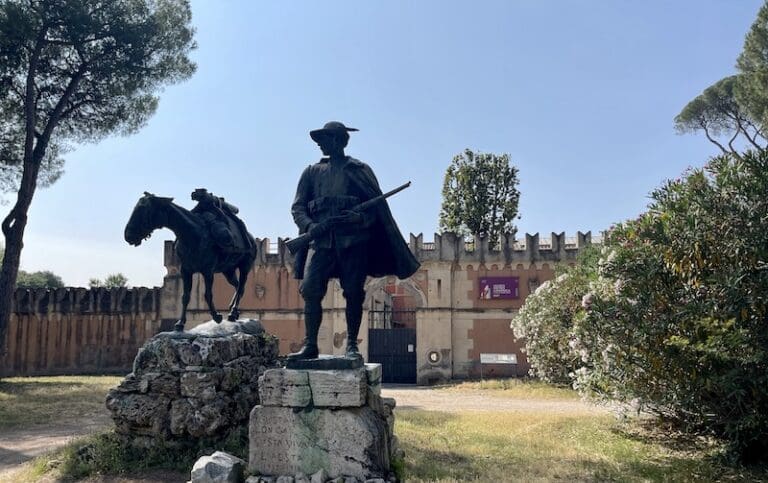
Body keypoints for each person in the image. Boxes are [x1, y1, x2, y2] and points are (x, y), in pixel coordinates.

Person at [289, 121, 420, 360]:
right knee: (310, 289)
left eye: (324, 139)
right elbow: (298, 208)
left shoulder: (359, 170)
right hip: (321, 243)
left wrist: (359, 217)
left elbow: (377, 212)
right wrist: (311, 227)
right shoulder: (311, 172)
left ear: (338, 140)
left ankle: (351, 345)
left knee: (353, 292)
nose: (319, 144)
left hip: (353, 243)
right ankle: (310, 345)